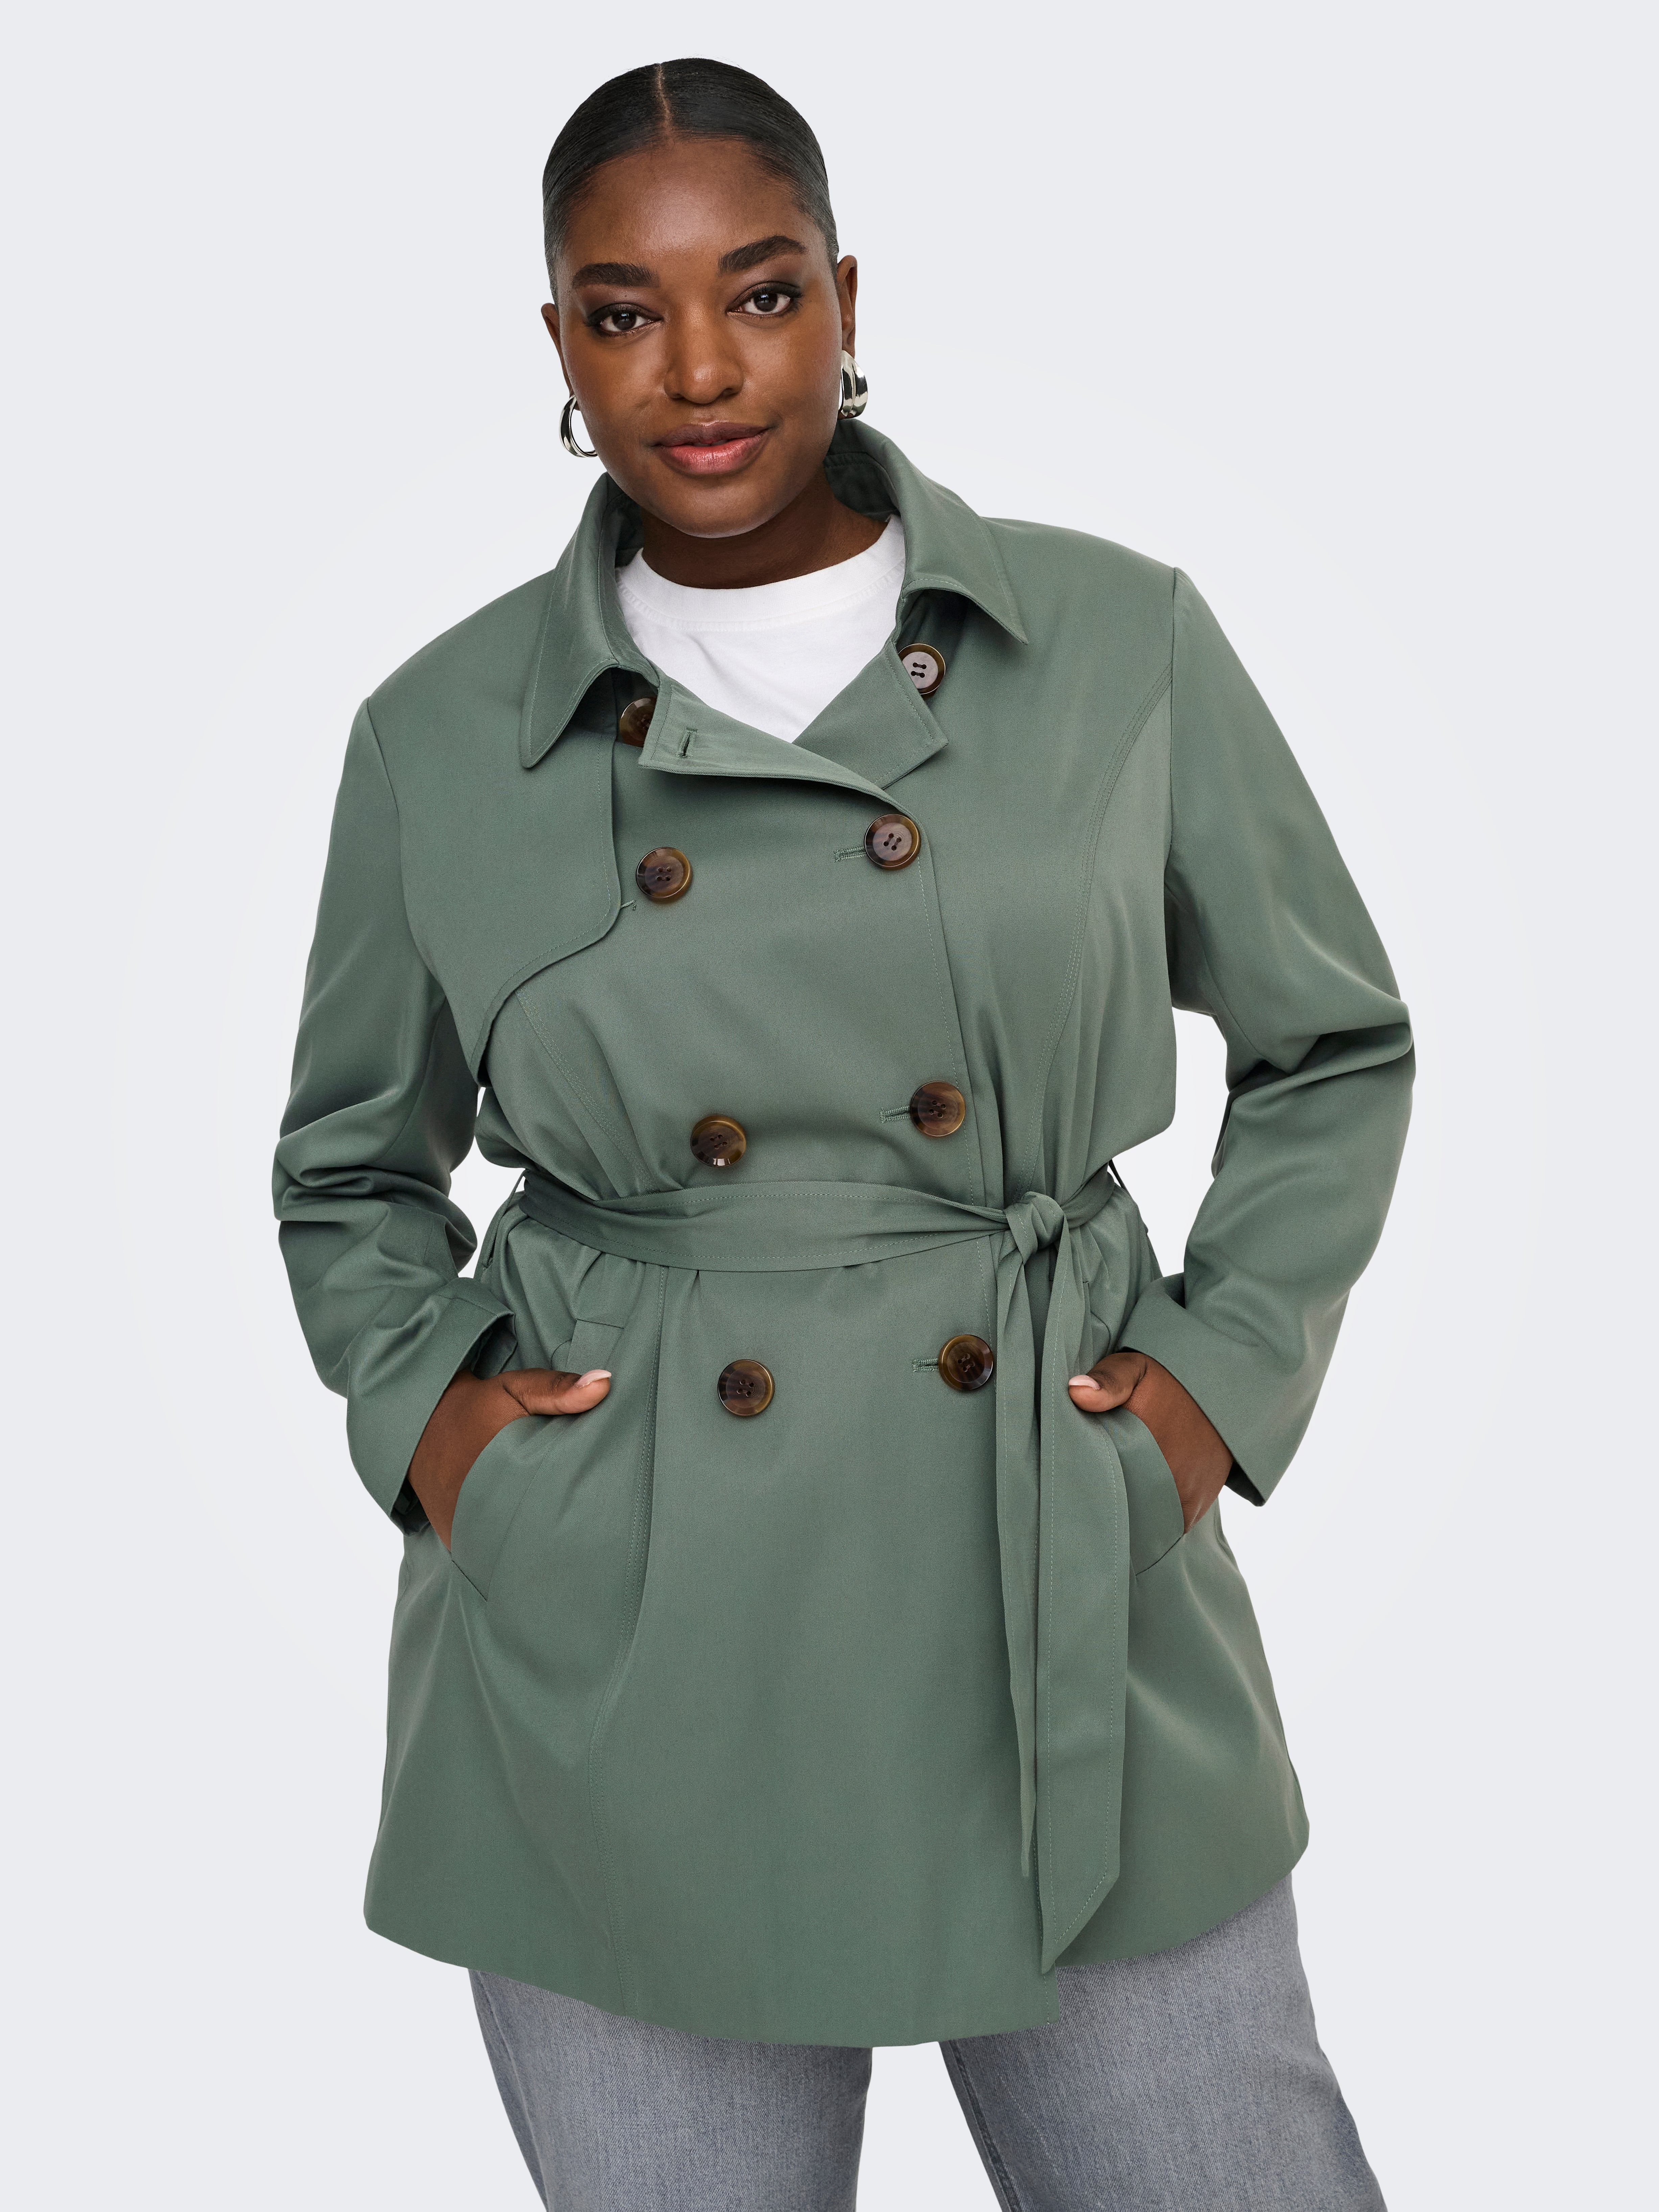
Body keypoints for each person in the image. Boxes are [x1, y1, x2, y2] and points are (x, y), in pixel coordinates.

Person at [274, 55, 1412, 2212]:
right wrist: (451, 1440)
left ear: (847, 296)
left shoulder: (1115, 644)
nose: (700, 371)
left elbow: (1333, 1045)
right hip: (632, 1647)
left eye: (762, 291)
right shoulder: (441, 738)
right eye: (626, 312)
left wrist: (1210, 1391)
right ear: (559, 344)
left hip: (1057, 1578)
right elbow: (348, 1168)